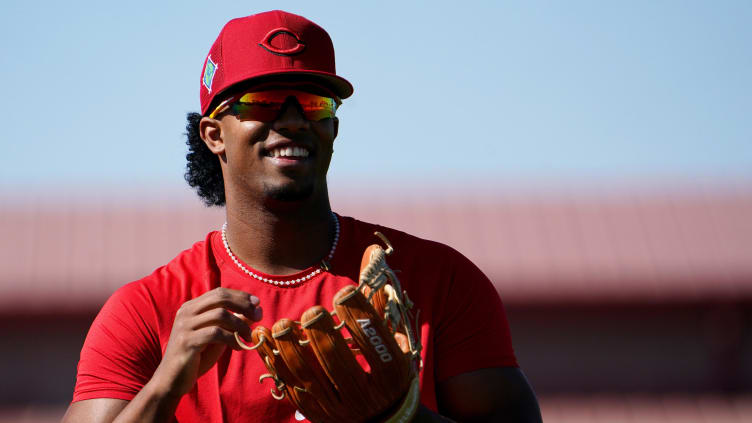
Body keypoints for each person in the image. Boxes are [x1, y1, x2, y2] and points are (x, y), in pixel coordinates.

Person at [63, 10, 542, 423]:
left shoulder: (437, 280)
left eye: (313, 103)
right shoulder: (148, 310)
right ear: (214, 134)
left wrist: (401, 416)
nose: (293, 119)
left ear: (333, 127)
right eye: (264, 103)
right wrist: (167, 383)